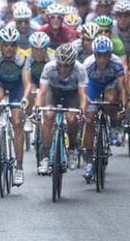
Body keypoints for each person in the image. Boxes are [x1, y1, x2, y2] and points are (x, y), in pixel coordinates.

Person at [0, 27, 31, 185]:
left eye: (12, 44)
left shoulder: (23, 57)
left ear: (17, 45)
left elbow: (27, 83)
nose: (9, 48)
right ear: (1, 45)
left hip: (17, 86)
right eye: (5, 44)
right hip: (0, 82)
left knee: (18, 123)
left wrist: (25, 98)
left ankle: (19, 167)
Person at [36, 43, 88, 174]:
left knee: (72, 118)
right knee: (47, 116)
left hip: (72, 94)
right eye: (60, 65)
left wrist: (82, 112)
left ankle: (72, 149)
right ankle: (46, 157)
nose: (63, 69)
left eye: (67, 66)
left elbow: (82, 95)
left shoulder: (80, 69)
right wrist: (36, 109)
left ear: (73, 64)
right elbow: (42, 92)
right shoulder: (49, 67)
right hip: (54, 93)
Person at [83, 36, 127, 161]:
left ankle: (114, 126)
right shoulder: (87, 64)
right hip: (93, 85)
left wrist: (123, 106)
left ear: (110, 54)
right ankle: (89, 158)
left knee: (110, 98)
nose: (102, 59)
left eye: (105, 55)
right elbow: (83, 89)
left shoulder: (117, 63)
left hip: (110, 84)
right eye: (99, 55)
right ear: (94, 54)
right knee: (90, 119)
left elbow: (122, 87)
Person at [23, 32, 55, 132]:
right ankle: (28, 117)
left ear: (46, 49)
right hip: (33, 79)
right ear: (31, 49)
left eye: (42, 50)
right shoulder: (26, 56)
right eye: (36, 49)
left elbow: (54, 78)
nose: (39, 53)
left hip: (47, 80)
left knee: (47, 93)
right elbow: (26, 80)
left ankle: (46, 116)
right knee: (31, 90)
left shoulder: (52, 56)